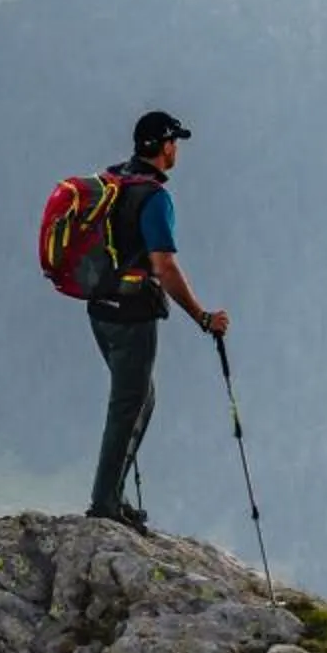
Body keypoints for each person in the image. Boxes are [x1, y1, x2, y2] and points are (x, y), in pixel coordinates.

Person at [88, 109, 230, 531]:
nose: (178, 149)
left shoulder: (113, 181)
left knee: (138, 399)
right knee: (129, 404)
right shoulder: (154, 197)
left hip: (99, 309)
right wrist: (203, 317)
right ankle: (104, 503)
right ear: (165, 146)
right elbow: (164, 267)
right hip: (132, 315)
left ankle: (110, 495)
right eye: (176, 142)